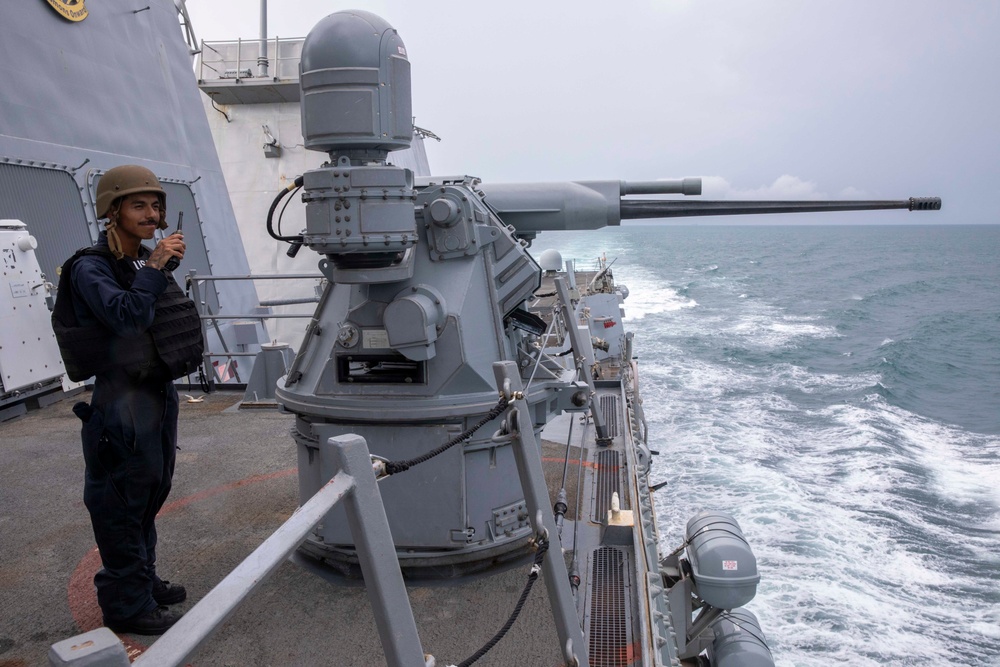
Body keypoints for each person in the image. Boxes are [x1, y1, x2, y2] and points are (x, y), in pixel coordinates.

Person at [62, 165, 203, 635]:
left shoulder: (140, 260)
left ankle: (142, 581)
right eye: (138, 205)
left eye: (156, 205)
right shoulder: (90, 267)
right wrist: (158, 267)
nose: (151, 213)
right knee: (120, 502)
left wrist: (155, 267)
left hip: (156, 393)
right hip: (120, 402)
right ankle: (125, 604)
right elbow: (125, 317)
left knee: (149, 492)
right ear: (112, 211)